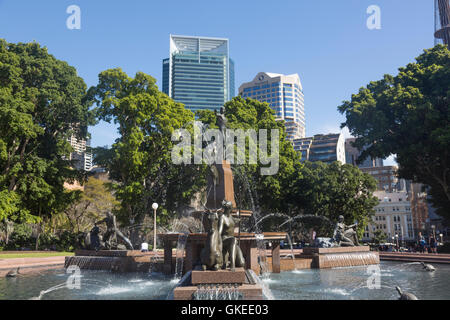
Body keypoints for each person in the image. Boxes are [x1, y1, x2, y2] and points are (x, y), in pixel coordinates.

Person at [218, 200, 245, 272]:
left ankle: (230, 262)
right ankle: (232, 265)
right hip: (224, 240)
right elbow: (219, 232)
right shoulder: (222, 217)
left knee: (242, 263)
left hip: (232, 242)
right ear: (228, 209)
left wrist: (240, 219)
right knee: (233, 239)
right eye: (231, 208)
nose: (231, 210)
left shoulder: (231, 217)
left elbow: (236, 220)